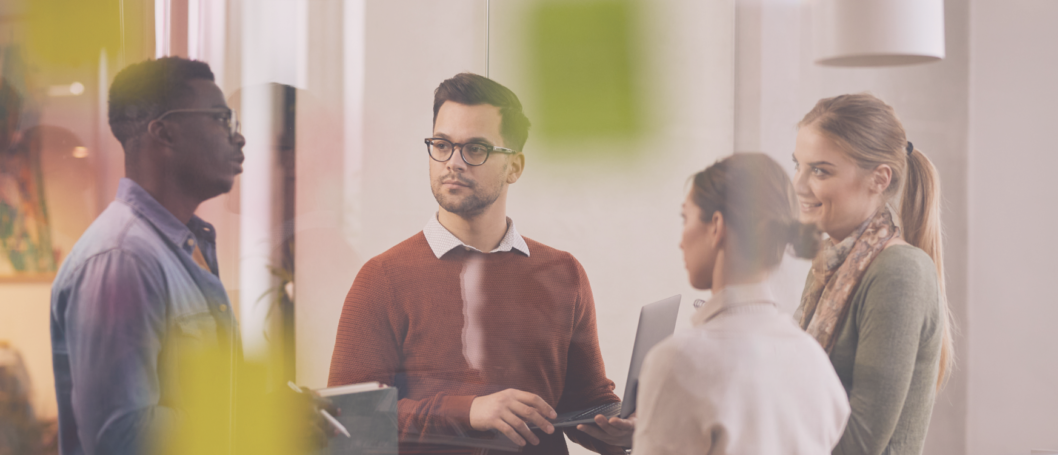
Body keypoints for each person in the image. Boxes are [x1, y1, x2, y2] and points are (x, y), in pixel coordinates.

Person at [327, 73, 632, 455]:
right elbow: (348, 424)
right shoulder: (382, 278)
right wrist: (468, 411)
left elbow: (584, 403)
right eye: (442, 145)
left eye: (476, 149)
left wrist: (621, 425)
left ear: (515, 167)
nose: (453, 162)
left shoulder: (563, 273)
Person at [49, 57, 329, 455]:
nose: (239, 138)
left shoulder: (184, 245)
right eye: (221, 119)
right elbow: (121, 437)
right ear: (164, 133)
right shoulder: (122, 259)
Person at [631, 152, 850, 454]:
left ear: (716, 226)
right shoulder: (813, 358)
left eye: (686, 218)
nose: (681, 239)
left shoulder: (678, 362)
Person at [790, 93, 953, 455]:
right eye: (797, 166)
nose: (799, 185)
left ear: (879, 178)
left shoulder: (899, 271)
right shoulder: (831, 267)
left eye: (819, 170)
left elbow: (860, 444)